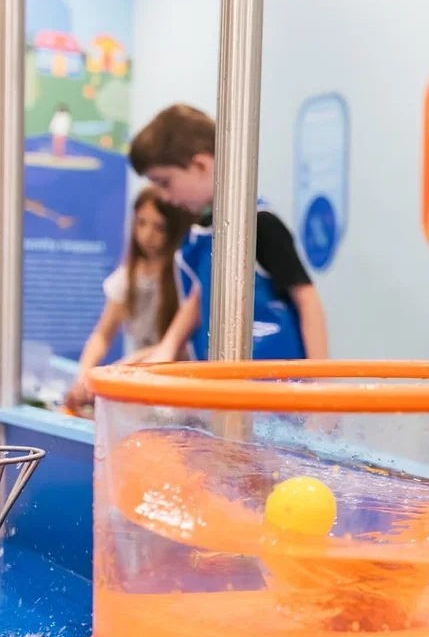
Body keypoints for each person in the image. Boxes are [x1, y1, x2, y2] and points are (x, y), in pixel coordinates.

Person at [128, 103, 328, 362]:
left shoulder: (261, 224)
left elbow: (306, 298)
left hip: (275, 381)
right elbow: (198, 300)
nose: (165, 197)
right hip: (226, 380)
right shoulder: (205, 232)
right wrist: (164, 349)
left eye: (165, 183)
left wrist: (319, 378)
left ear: (201, 166)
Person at [65, 187, 193, 412]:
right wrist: (84, 374)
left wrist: (130, 363)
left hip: (181, 387)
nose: (147, 235)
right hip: (141, 383)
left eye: (159, 227)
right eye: (141, 223)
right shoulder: (127, 276)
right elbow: (103, 333)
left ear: (174, 228)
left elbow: (184, 346)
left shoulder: (186, 276)